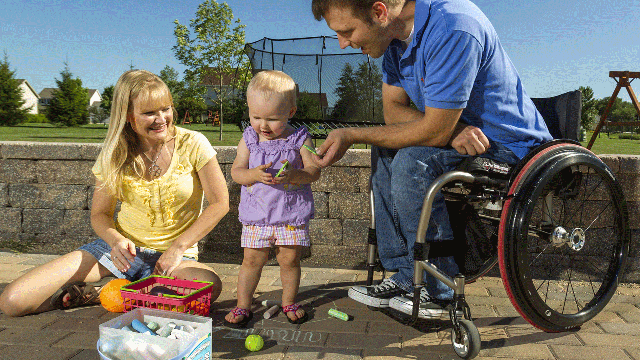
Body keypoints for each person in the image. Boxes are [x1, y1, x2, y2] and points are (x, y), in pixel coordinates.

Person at [311, 0, 552, 318]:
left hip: (510, 147)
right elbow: (392, 112)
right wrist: (451, 131)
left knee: (413, 161)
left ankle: (442, 289)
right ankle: (405, 274)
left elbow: (432, 132)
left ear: (380, 12)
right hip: (462, 140)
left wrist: (353, 134)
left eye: (347, 31)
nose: (344, 43)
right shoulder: (395, 43)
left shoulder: (454, 26)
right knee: (385, 150)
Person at [0, 70, 229, 317]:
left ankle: (111, 293)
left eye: (166, 108)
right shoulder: (115, 153)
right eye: (149, 112)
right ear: (128, 116)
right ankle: (131, 292)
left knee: (207, 287)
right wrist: (115, 241)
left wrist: (177, 247)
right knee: (12, 302)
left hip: (175, 259)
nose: (161, 118)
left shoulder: (193, 143)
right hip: (122, 254)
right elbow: (100, 214)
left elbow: (220, 203)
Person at [224, 70, 321, 327]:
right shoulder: (249, 139)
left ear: (290, 112)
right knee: (251, 260)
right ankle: (243, 305)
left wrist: (294, 175)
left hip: (289, 216)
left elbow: (314, 172)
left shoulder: (301, 138)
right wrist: (253, 175)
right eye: (256, 117)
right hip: (257, 215)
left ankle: (289, 300)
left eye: (272, 118)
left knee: (289, 259)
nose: (263, 125)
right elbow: (236, 173)